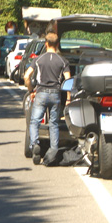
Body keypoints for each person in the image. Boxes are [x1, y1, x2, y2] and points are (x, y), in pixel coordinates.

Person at [24, 31, 71, 165]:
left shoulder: (38, 59)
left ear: (46, 44)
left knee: (34, 121)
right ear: (57, 45)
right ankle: (53, 151)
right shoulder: (63, 61)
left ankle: (35, 144)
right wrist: (68, 98)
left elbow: (26, 76)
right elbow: (68, 81)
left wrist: (31, 89)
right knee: (54, 123)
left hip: (41, 93)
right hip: (55, 94)